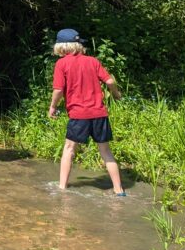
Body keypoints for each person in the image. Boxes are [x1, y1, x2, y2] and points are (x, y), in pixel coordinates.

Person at [48, 28, 126, 195]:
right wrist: (116, 94)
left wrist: (53, 106)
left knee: (69, 149)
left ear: (61, 46)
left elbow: (58, 90)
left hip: (79, 114)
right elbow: (110, 81)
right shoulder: (93, 61)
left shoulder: (61, 64)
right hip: (100, 113)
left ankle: (62, 188)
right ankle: (119, 190)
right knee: (106, 151)